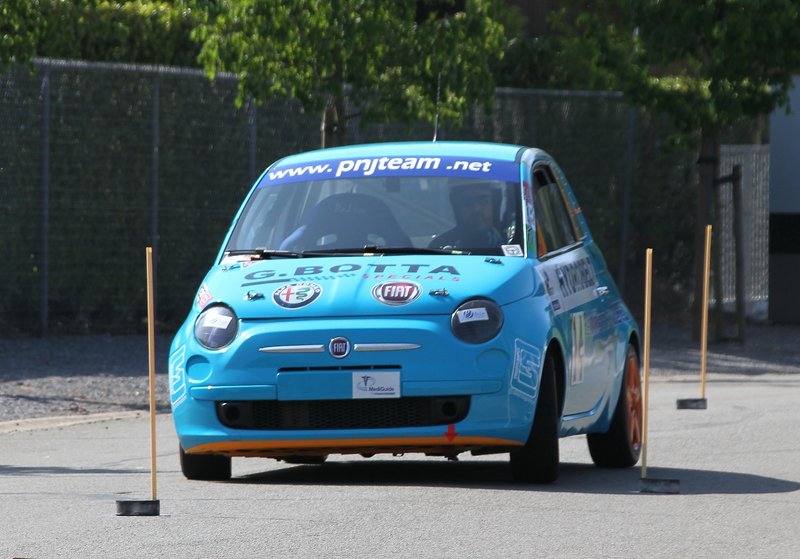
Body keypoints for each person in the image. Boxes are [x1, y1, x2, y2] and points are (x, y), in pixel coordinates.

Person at [429, 182, 504, 249]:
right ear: (457, 208)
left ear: (494, 205)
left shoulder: (509, 242)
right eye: (467, 202)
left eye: (484, 201)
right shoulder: (440, 246)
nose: (476, 209)